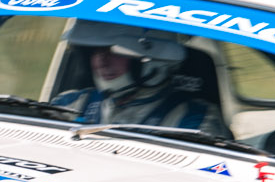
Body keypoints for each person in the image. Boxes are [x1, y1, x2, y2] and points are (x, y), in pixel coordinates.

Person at [49, 19, 231, 137]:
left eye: (115, 52)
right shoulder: (69, 104)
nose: (101, 62)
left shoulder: (194, 121)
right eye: (95, 52)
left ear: (153, 60)